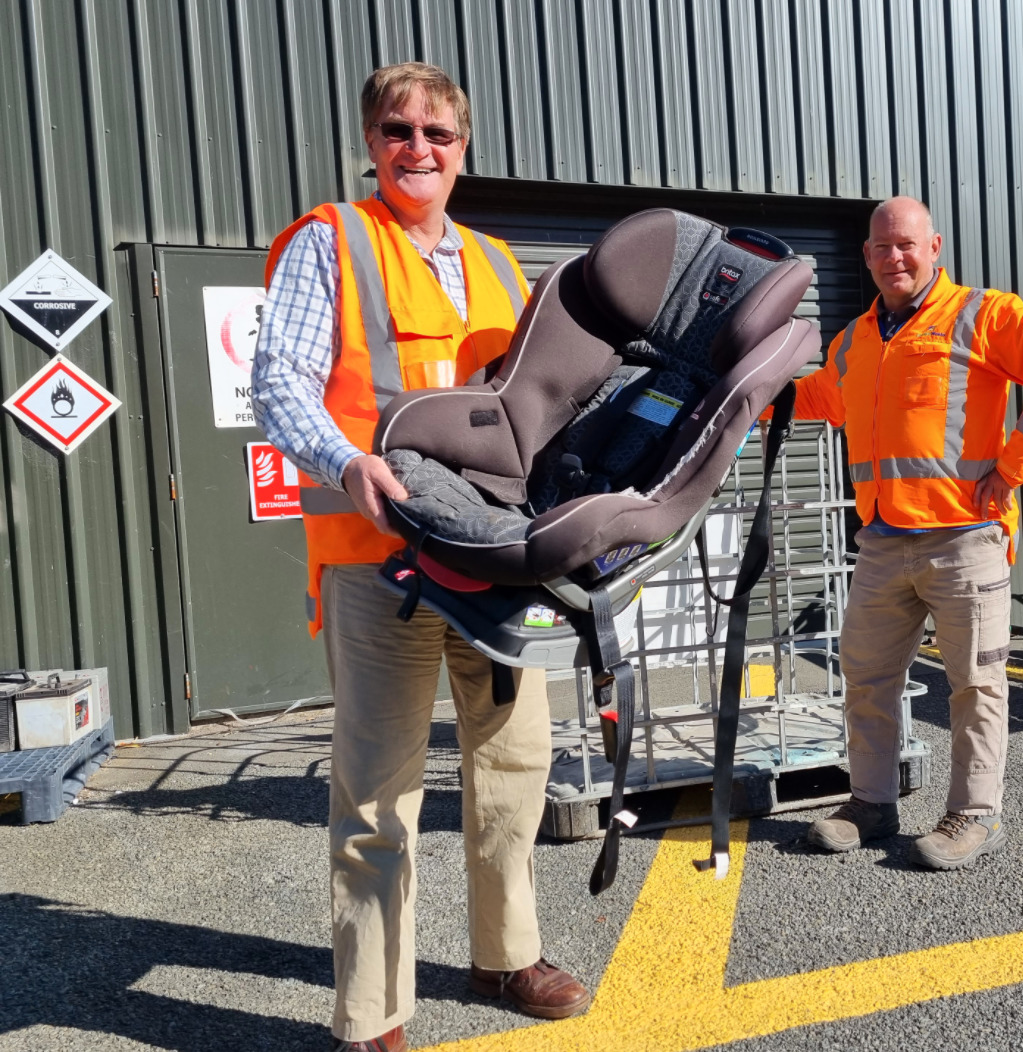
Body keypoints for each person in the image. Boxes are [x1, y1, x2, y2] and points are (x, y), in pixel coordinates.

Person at [252, 62, 591, 1052]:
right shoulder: (333, 243)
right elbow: (279, 381)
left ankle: (505, 951)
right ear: (371, 142)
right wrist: (341, 459)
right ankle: (371, 1015)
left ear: (462, 145)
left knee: (517, 761)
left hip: (490, 556)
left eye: (437, 133)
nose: (418, 149)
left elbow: (537, 401)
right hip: (380, 557)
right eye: (398, 130)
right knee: (376, 791)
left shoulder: (494, 262)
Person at [798, 196, 1023, 871]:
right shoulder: (855, 340)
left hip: (964, 538)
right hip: (880, 539)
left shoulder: (981, 315)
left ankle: (975, 815)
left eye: (906, 244)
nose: (893, 257)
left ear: (935, 247)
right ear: (867, 256)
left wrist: (1014, 467)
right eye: (880, 247)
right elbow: (821, 399)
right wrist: (745, 396)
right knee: (866, 677)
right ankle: (871, 805)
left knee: (974, 684)